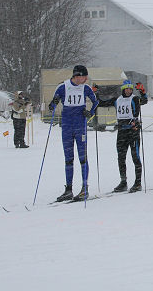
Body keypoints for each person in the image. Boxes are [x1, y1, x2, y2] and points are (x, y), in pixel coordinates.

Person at [50, 65, 98, 202]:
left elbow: (96, 101)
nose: (86, 79)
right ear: (77, 75)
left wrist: (90, 113)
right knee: (68, 158)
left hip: (80, 125)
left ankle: (84, 188)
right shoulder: (63, 87)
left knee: (82, 157)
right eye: (84, 76)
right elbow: (53, 104)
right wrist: (53, 104)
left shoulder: (86, 88)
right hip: (67, 125)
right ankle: (68, 189)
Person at [97, 80, 148, 193]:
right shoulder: (117, 100)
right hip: (122, 132)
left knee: (135, 157)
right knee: (121, 157)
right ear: (123, 89)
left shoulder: (134, 98)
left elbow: (144, 100)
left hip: (133, 131)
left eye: (130, 89)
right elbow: (102, 103)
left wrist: (142, 91)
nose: (129, 91)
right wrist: (96, 94)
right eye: (127, 89)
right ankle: (123, 182)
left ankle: (138, 183)